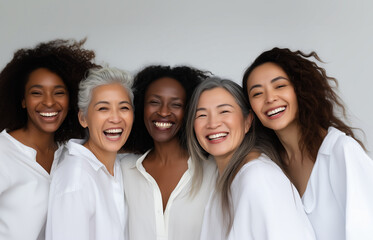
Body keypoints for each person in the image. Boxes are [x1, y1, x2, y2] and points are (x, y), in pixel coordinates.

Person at [0, 39, 98, 240]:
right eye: (37, 93)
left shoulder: (66, 157)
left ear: (70, 100)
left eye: (59, 93)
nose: (48, 101)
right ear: (22, 100)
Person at [242, 47, 373, 240]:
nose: (270, 98)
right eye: (257, 94)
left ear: (300, 89)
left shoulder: (341, 151)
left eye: (279, 86)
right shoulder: (269, 166)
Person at [186, 77, 315, 240]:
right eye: (202, 115)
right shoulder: (223, 180)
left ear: (247, 121)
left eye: (224, 111)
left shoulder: (259, 177)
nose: (212, 123)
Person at [120, 65, 216, 240]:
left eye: (176, 104)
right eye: (154, 102)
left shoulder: (212, 171)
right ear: (141, 107)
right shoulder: (124, 169)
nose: (163, 112)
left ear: (188, 112)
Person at [46, 67, 134, 240]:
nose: (115, 118)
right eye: (103, 108)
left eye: (124, 107)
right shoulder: (76, 178)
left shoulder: (121, 167)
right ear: (83, 118)